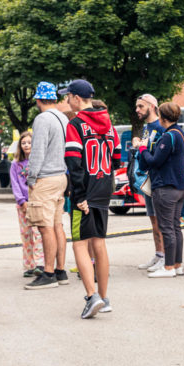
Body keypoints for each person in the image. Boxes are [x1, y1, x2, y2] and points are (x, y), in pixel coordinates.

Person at [63, 79, 120, 318]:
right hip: (104, 188)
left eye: (68, 96)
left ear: (77, 98)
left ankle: (91, 295)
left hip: (84, 191)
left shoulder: (75, 124)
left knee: (79, 243)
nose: (66, 100)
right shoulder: (110, 126)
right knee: (99, 243)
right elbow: (117, 159)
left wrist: (79, 194)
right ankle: (104, 297)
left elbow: (74, 162)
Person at [24, 82, 70, 290]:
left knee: (45, 227)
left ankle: (49, 273)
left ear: (37, 99)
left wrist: (31, 178)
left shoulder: (42, 119)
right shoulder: (63, 117)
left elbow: (38, 151)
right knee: (57, 225)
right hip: (61, 175)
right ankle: (60, 270)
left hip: (46, 178)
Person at [136, 102, 184, 278]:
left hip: (166, 186)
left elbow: (155, 161)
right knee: (175, 227)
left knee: (166, 228)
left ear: (162, 117)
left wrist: (142, 148)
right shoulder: (180, 133)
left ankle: (168, 267)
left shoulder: (168, 136)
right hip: (180, 186)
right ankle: (177, 264)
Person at [134, 94, 166, 272]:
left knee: (161, 221)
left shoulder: (161, 127)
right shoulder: (147, 127)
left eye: (141, 106)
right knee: (153, 221)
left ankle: (166, 257)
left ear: (152, 106)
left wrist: (143, 147)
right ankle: (159, 254)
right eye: (137, 106)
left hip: (158, 180)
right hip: (147, 178)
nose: (137, 110)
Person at [11, 131, 44, 277]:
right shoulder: (15, 164)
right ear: (20, 146)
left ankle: (39, 264)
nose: (26, 145)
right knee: (26, 236)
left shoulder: (39, 162)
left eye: (29, 142)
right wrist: (21, 201)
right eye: (23, 143)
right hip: (22, 205)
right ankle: (29, 265)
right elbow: (15, 184)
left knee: (38, 234)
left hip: (37, 203)